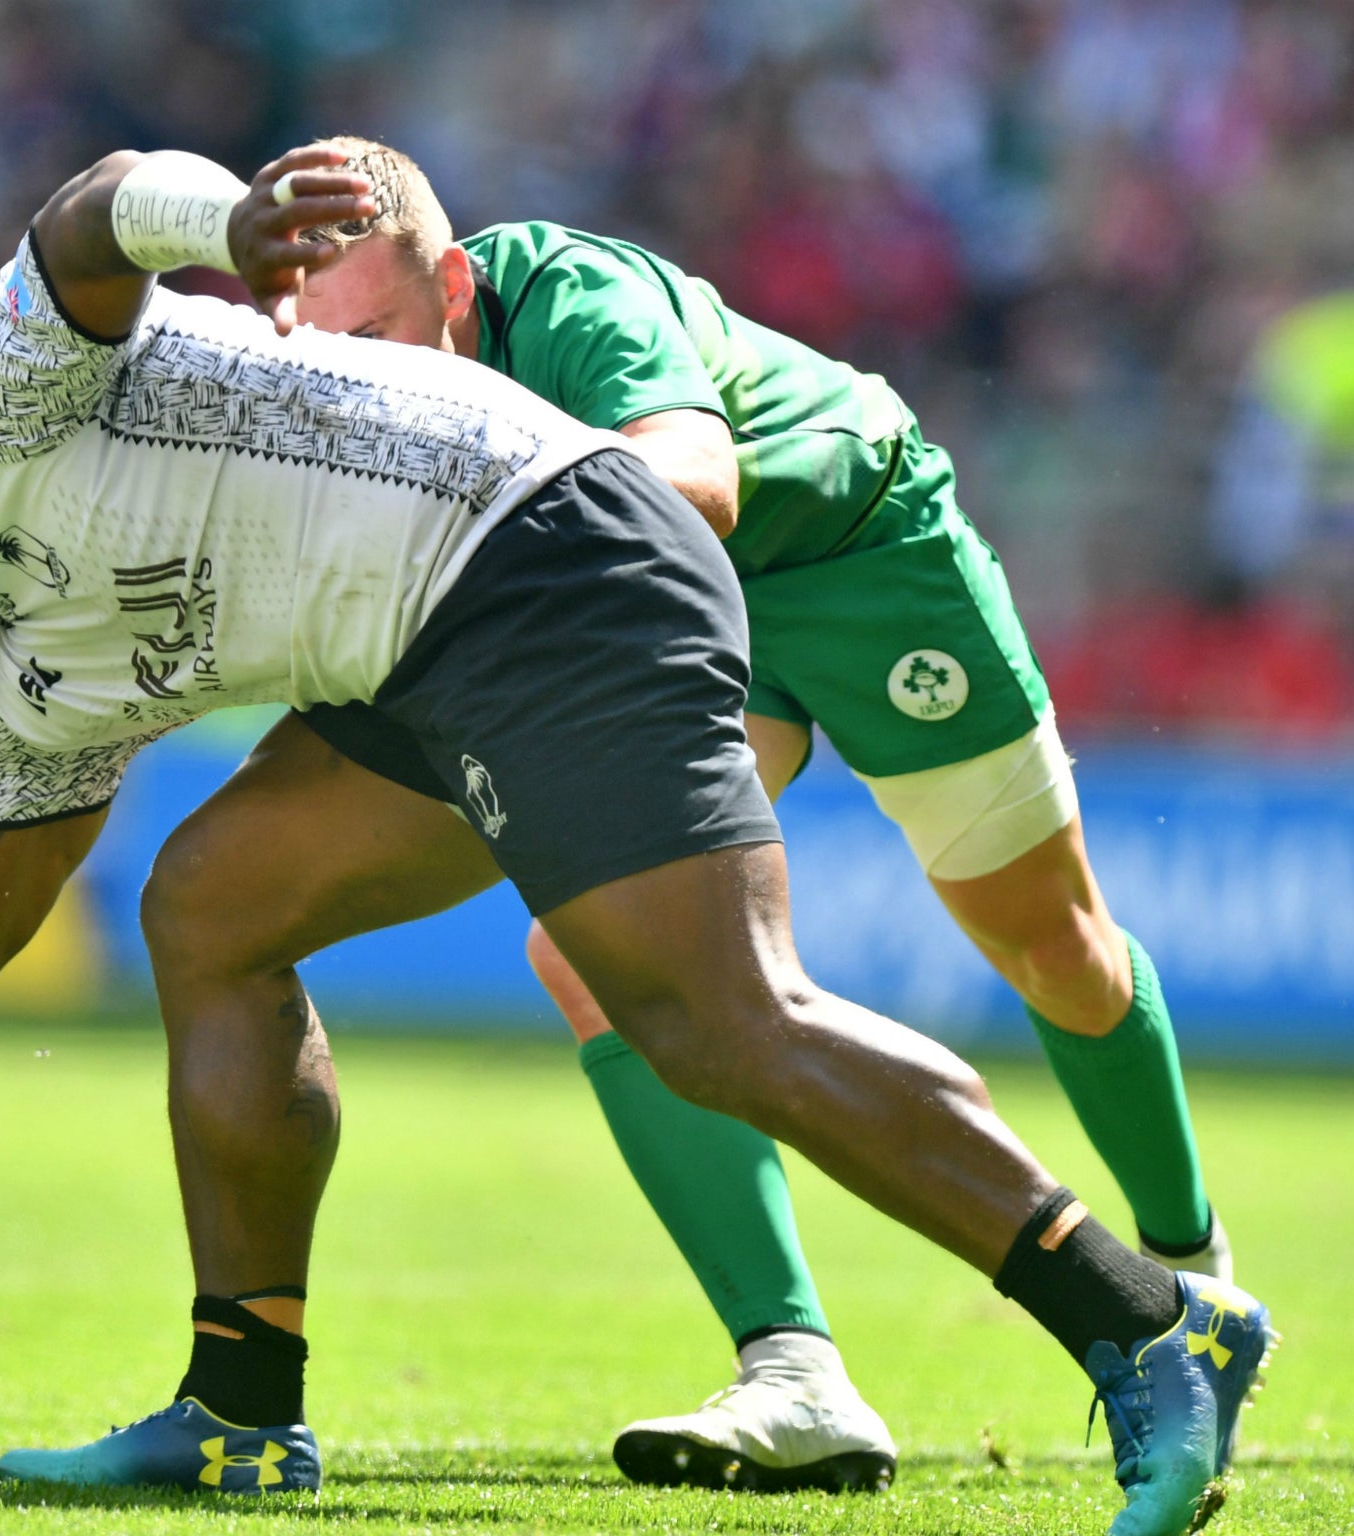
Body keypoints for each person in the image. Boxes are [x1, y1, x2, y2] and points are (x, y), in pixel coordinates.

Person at [0, 145, 1271, 1536]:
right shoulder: (32, 696)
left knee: (716, 1018)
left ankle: (1151, 1332)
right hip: (420, 651)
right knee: (210, 906)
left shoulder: (8, 404)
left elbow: (107, 205)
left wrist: (233, 226)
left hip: (554, 558)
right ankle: (237, 1412)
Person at [121, 136, 1235, 1494]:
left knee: (1051, 948)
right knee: (596, 958)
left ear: (457, 287)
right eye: (335, 351)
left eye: (391, 336)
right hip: (648, 614)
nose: (376, 380)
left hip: (850, 556)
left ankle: (1191, 1279)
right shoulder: (341, 394)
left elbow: (690, 482)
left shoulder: (574, 295)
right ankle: (796, 1376)